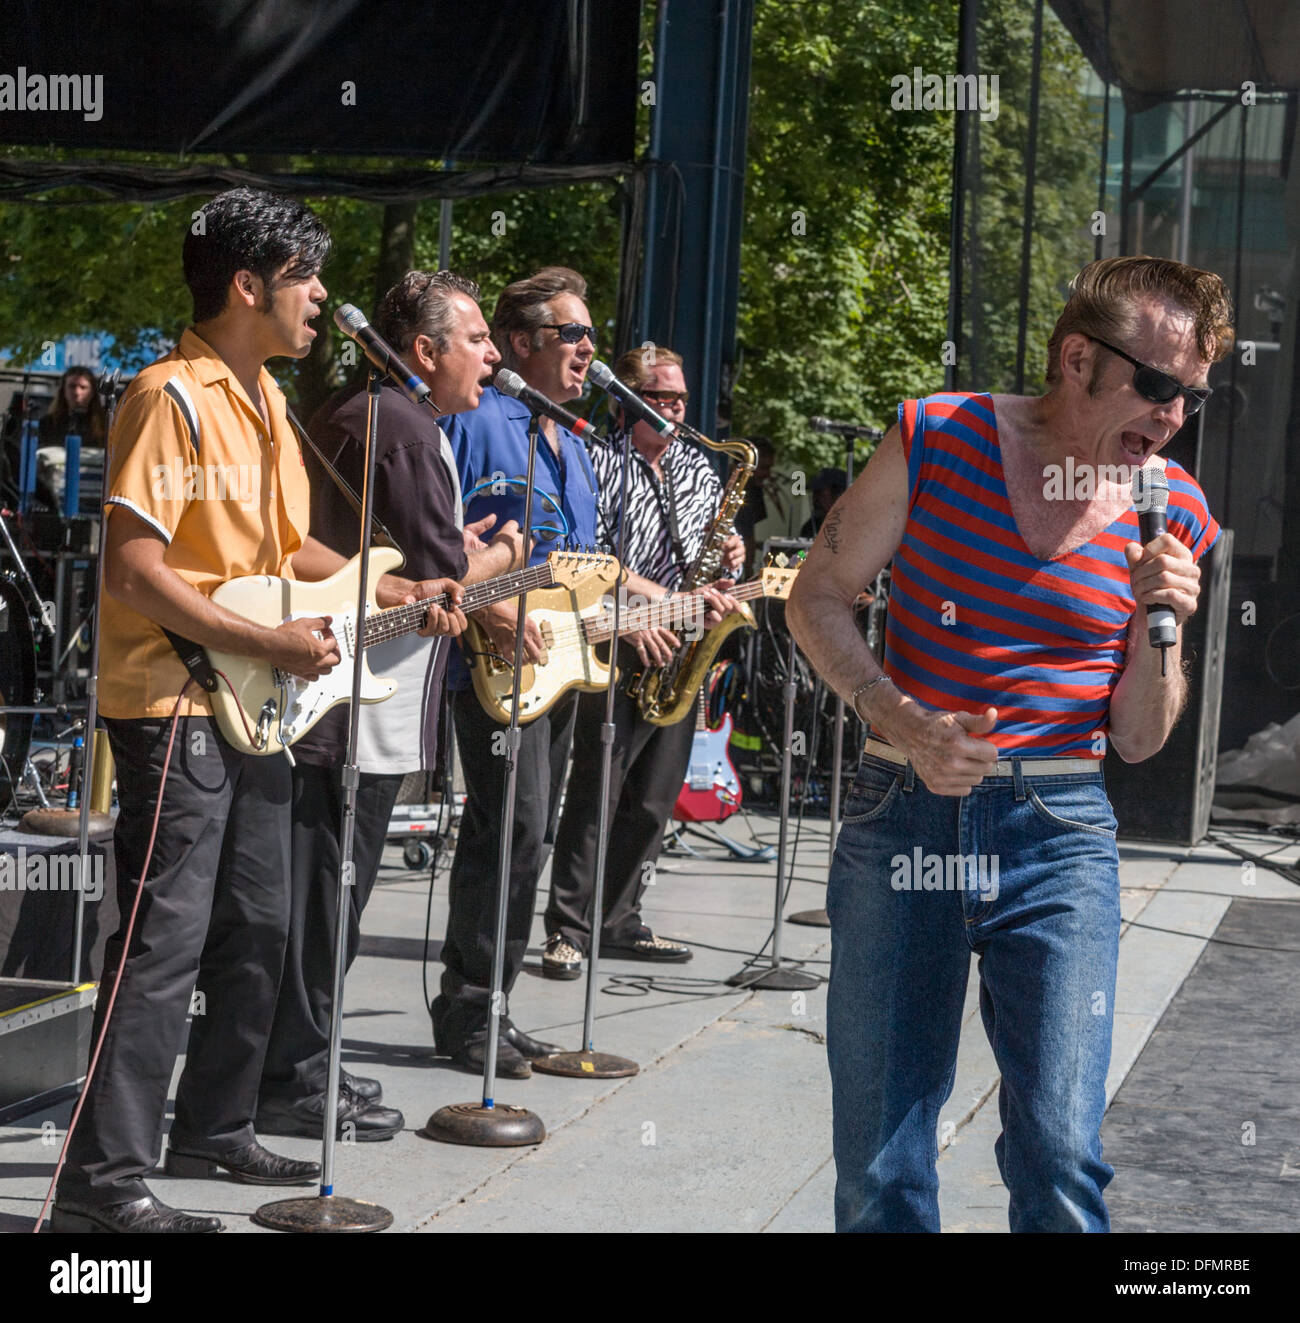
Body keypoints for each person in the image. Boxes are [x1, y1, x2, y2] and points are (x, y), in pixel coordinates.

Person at [786, 256, 1231, 1233]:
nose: (1171, 416)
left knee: (1061, 1152)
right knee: (881, 1163)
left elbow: (1140, 737)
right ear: (1077, 357)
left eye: (1191, 396)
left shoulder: (1171, 512)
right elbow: (816, 594)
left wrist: (1163, 623)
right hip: (904, 812)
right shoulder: (937, 434)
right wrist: (892, 713)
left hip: (1059, 830)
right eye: (1156, 386)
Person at [52, 189, 465, 1234]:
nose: (323, 297)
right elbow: (135, 570)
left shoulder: (269, 400)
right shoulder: (166, 395)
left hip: (254, 705)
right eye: (304, 280)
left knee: (265, 925)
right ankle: (99, 1189)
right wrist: (265, 642)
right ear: (248, 287)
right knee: (160, 944)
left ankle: (211, 1127)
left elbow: (291, 556)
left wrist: (392, 587)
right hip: (176, 702)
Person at [257, 270, 517, 1140]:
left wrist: (457, 556)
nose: (490, 354)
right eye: (476, 338)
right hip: (351, 708)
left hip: (355, 694)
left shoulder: (383, 418)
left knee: (333, 887)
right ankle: (295, 1076)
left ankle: (308, 1060)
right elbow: (445, 574)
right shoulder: (401, 426)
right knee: (333, 888)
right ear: (424, 351)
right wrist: (508, 551)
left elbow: (416, 555)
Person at [430, 266, 601, 1078]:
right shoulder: (475, 418)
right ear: (524, 341)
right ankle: (466, 1009)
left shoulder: (578, 443)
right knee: (507, 831)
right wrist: (485, 603)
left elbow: (581, 565)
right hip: (487, 660)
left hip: (557, 665)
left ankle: (494, 1003)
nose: (588, 349)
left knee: (527, 835)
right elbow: (434, 535)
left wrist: (670, 602)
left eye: (591, 335)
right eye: (573, 334)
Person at [543, 346, 742, 979]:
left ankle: (619, 919)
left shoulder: (699, 469)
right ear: (627, 399)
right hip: (620, 640)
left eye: (682, 399)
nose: (678, 410)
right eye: (663, 398)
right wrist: (641, 616)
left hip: (681, 646)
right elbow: (589, 559)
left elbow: (709, 558)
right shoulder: (599, 461)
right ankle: (569, 928)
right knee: (598, 790)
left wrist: (733, 554)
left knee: (655, 800)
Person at [799, 466, 847, 539]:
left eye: (819, 492)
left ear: (838, 495)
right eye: (814, 493)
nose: (815, 499)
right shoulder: (810, 527)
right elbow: (801, 550)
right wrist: (799, 551)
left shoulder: (852, 525)